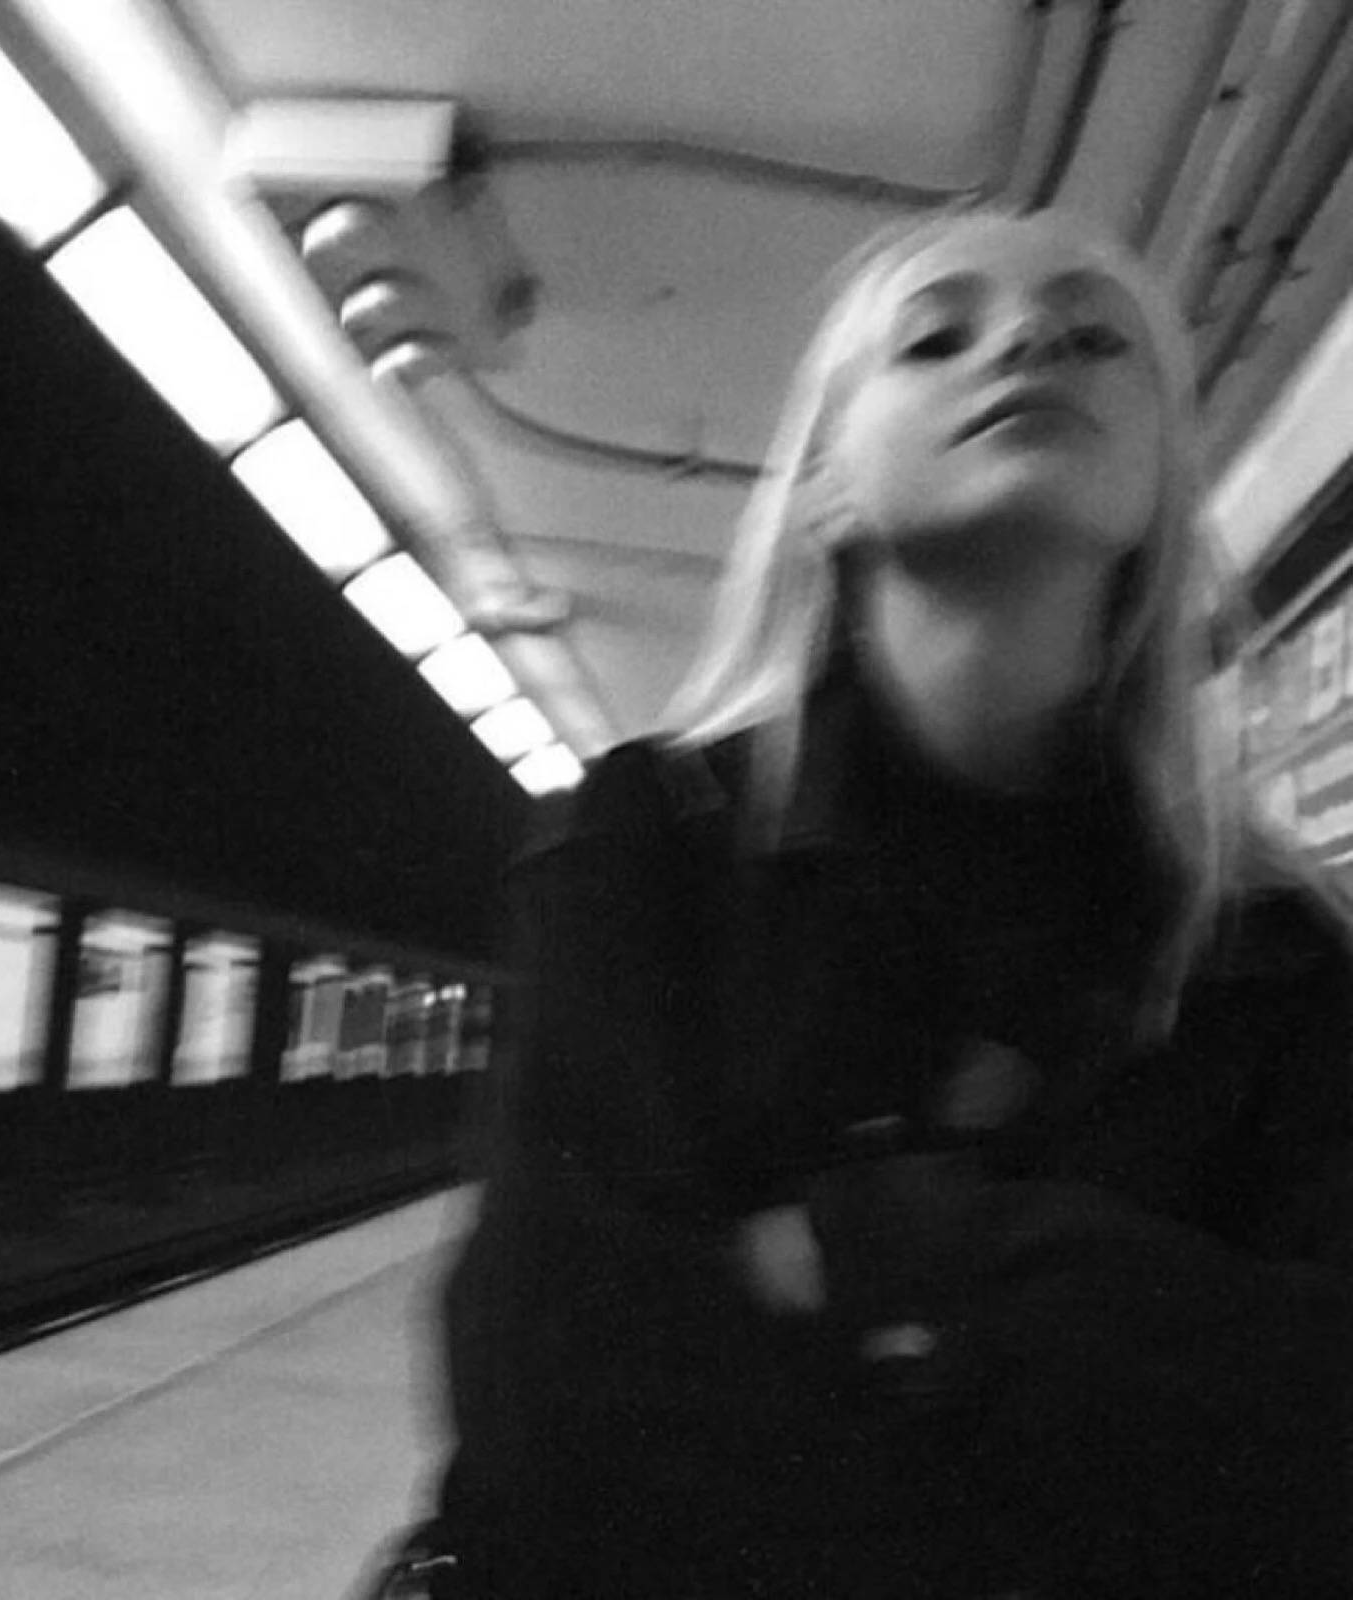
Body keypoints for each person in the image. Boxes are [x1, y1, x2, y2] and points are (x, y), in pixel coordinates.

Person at [407, 207, 1353, 1599]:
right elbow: (548, 1395)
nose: (1029, 341)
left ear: (1162, 484)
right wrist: (1111, 1319)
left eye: (1098, 338)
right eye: (936, 337)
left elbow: (1322, 1454)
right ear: (829, 488)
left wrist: (888, 1253)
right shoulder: (652, 845)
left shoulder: (1273, 945)